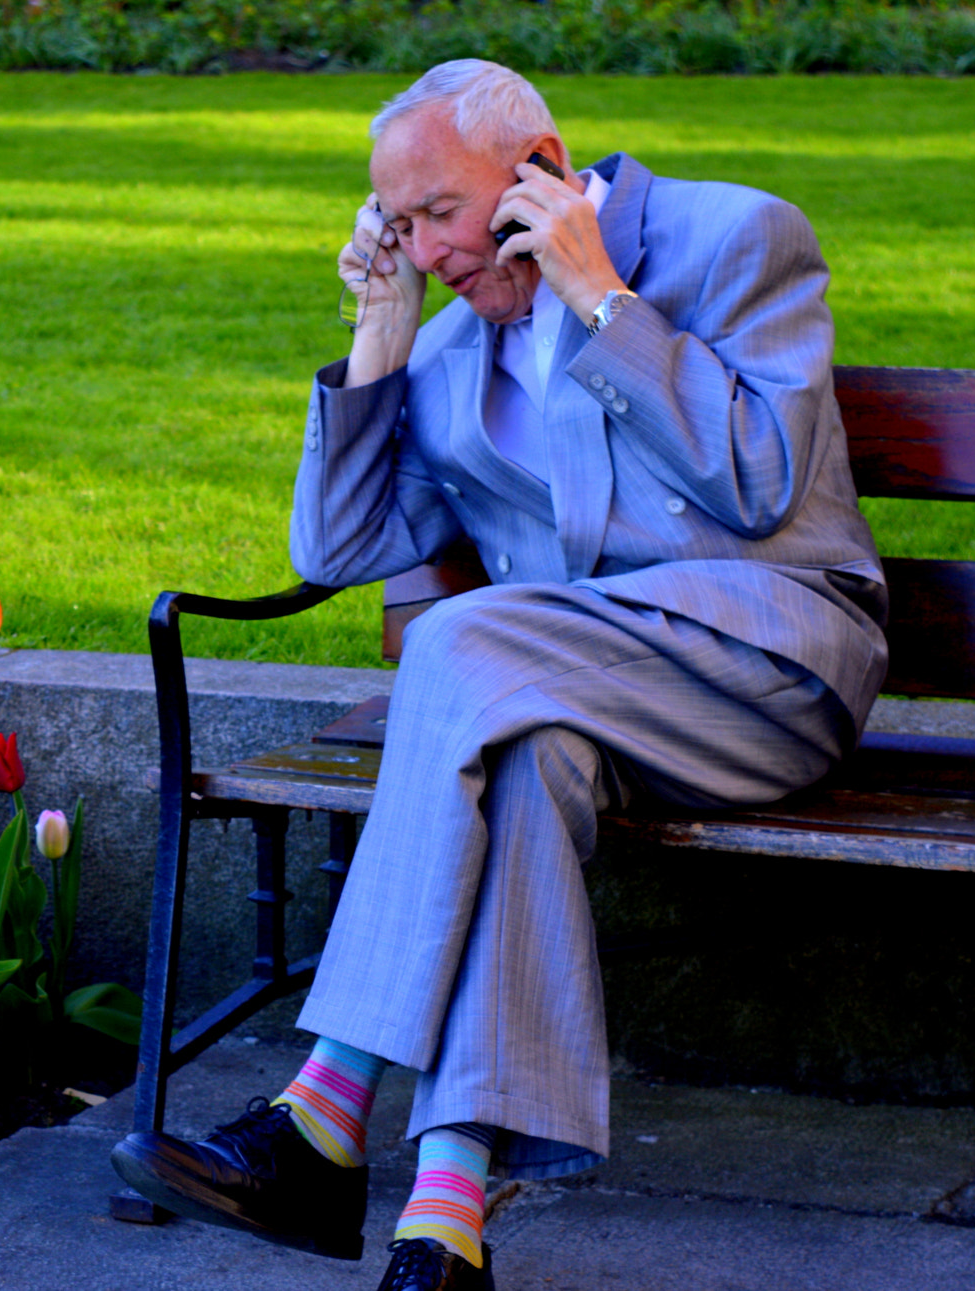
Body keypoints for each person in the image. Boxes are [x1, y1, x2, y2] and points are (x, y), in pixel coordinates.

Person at [111, 59, 889, 1291]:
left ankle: (323, 1105)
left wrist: (601, 304)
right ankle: (444, 1221)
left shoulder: (735, 238)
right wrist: (376, 340)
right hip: (581, 703)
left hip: (769, 669)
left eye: (434, 215)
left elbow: (754, 485)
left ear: (538, 170)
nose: (421, 252)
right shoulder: (447, 345)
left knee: (458, 639)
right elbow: (339, 548)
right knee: (520, 763)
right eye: (394, 226)